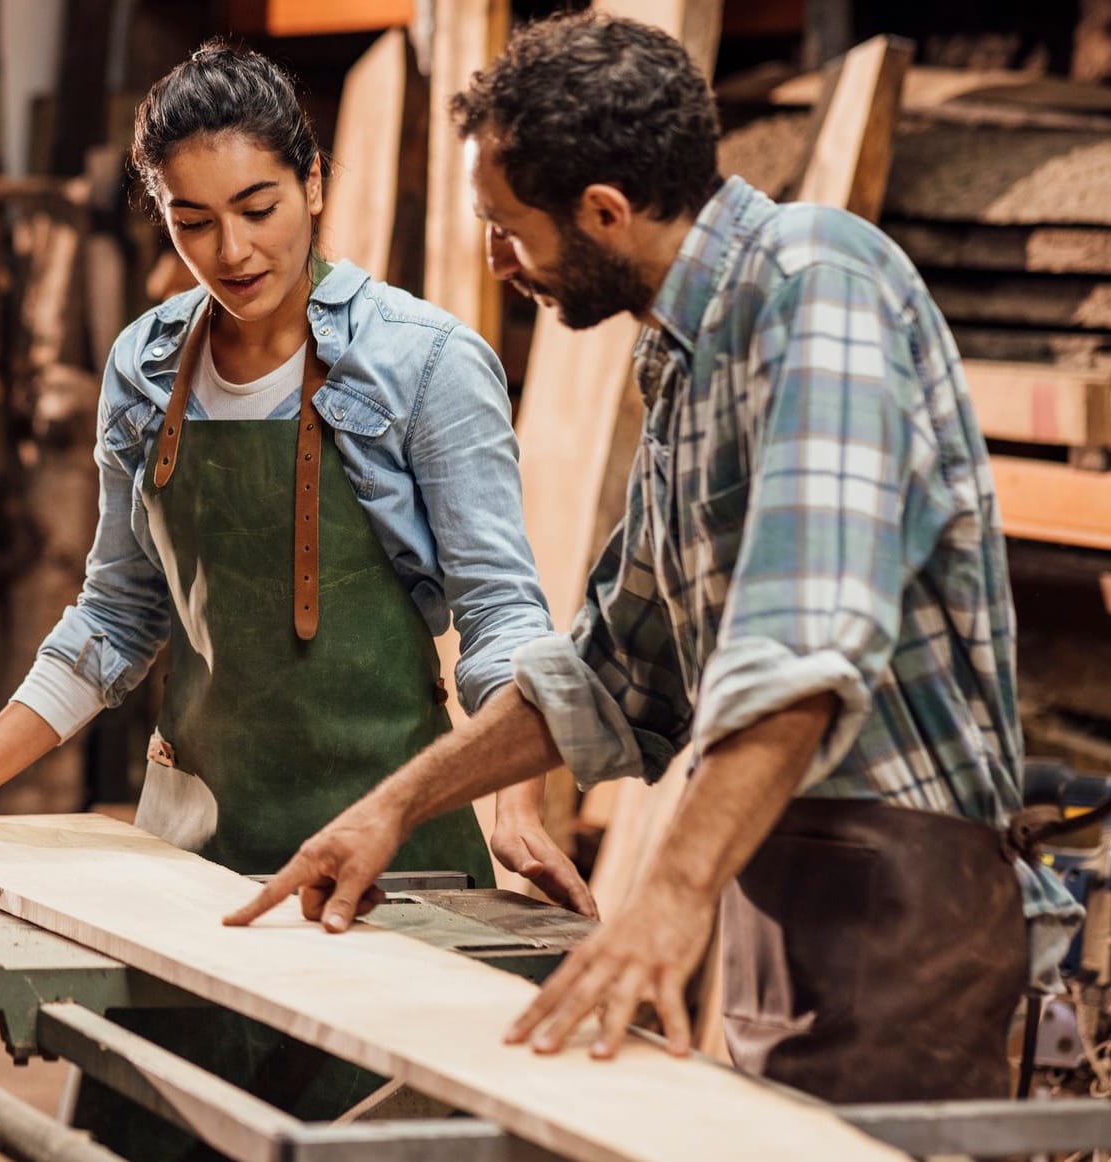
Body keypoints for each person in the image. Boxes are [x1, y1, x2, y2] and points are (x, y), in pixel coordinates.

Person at [227, 12, 1082, 1105]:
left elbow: (802, 656)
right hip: (789, 872)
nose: (495, 258)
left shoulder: (814, 286)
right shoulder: (683, 356)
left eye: (506, 228)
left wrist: (667, 896)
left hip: (906, 889)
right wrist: (392, 806)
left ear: (604, 214)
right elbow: (610, 674)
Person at [0, 40, 588, 1154]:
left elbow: (501, 615)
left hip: (387, 867)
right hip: (186, 875)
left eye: (259, 206)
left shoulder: (425, 363)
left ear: (315, 182)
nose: (231, 250)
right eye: (191, 221)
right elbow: (114, 618)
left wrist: (516, 799)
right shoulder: (142, 367)